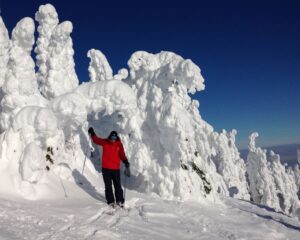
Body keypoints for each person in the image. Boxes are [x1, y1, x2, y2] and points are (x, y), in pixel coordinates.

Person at [88, 127, 130, 207]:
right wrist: (92, 133)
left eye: (115, 137)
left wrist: (126, 161)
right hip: (106, 169)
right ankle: (111, 201)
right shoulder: (105, 142)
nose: (113, 139)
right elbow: (96, 140)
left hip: (115, 169)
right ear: (110, 137)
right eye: (112, 137)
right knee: (108, 185)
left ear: (116, 137)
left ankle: (120, 200)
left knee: (117, 185)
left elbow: (122, 155)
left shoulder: (119, 145)